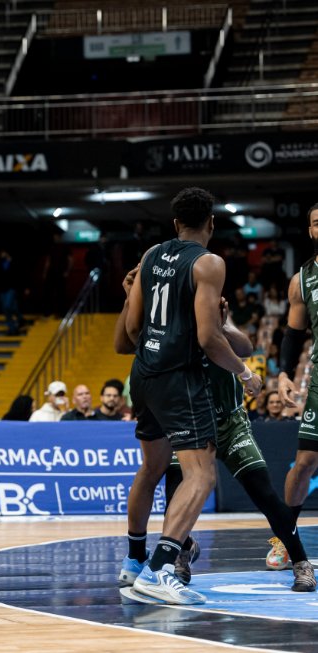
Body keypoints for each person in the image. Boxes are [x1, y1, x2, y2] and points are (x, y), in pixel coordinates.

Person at [118, 267, 313, 592]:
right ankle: (181, 554)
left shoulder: (212, 307)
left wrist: (222, 325)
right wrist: (130, 299)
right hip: (189, 423)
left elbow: (245, 346)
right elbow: (129, 340)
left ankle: (300, 561)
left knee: (264, 494)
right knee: (175, 494)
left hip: (229, 422)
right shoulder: (164, 326)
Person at [113, 188, 262, 604]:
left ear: (175, 223)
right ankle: (160, 569)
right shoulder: (208, 263)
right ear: (211, 223)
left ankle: (134, 561)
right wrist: (245, 372)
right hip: (179, 378)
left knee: (152, 468)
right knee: (201, 474)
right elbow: (210, 338)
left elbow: (131, 329)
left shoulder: (151, 255)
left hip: (143, 374)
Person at [276, 201, 318, 570]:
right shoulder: (302, 279)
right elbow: (293, 333)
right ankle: (285, 538)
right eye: (317, 223)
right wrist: (284, 373)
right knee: (304, 462)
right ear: (310, 231)